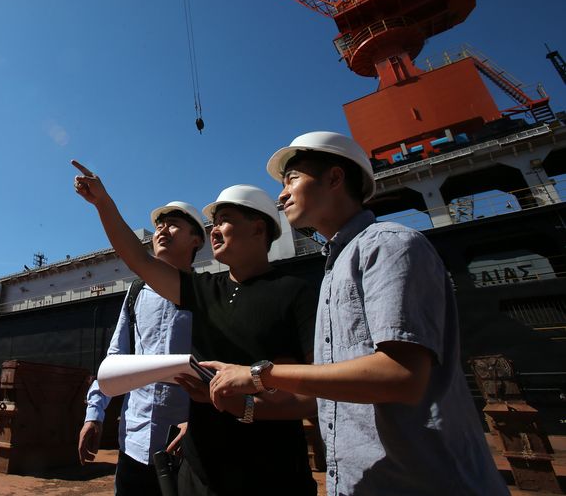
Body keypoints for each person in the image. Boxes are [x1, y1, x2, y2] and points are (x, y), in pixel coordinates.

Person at [206, 131, 509, 496]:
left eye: (292, 179)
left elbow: (401, 375)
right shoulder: (335, 270)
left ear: (335, 178)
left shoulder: (389, 246)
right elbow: (324, 395)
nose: (282, 195)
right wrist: (243, 404)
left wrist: (258, 375)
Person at [72, 160, 318, 495]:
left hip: (270, 474)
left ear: (259, 229)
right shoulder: (204, 292)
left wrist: (246, 397)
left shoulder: (295, 293)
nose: (215, 229)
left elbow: (314, 393)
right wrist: (103, 202)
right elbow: (139, 261)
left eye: (224, 220)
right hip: (196, 470)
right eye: (213, 223)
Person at [79, 201, 204, 495]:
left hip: (185, 448)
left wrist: (200, 424)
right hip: (133, 443)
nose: (162, 230)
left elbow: (222, 367)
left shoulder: (208, 294)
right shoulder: (136, 293)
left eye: (174, 224)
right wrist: (94, 414)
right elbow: (116, 358)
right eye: (160, 224)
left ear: (197, 240)